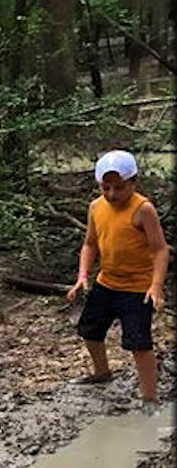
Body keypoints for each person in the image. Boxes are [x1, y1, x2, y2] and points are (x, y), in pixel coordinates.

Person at [66, 150, 169, 403]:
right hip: (106, 282)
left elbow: (160, 249)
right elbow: (90, 244)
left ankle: (149, 398)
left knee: (139, 344)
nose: (112, 194)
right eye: (106, 188)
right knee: (90, 331)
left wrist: (156, 286)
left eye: (119, 188)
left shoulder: (143, 209)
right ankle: (102, 373)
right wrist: (82, 276)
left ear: (132, 182)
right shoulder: (96, 207)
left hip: (137, 287)